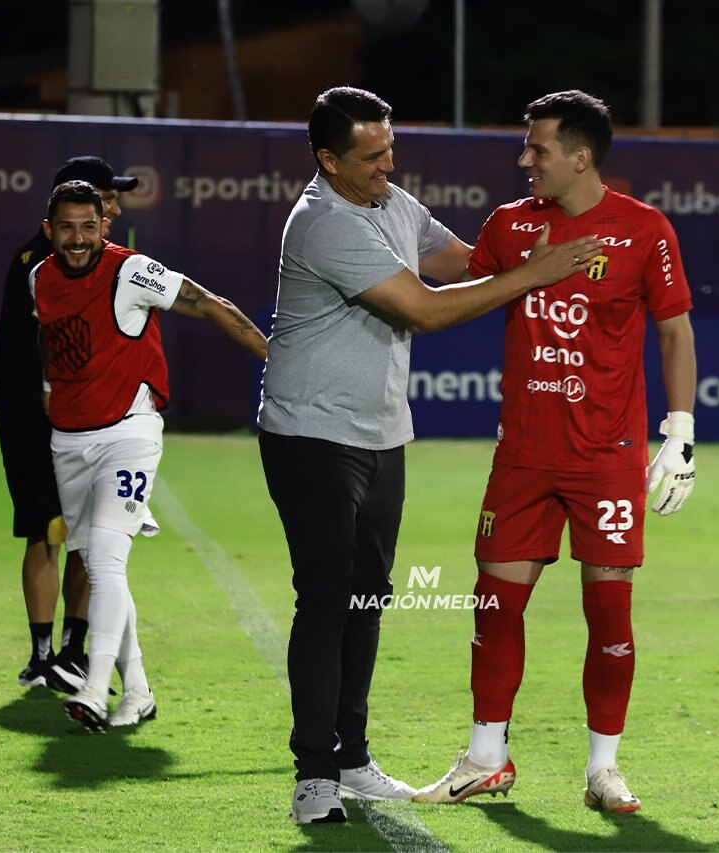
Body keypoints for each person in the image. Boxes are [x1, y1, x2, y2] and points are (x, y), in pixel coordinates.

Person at [257, 85, 606, 825]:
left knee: (367, 598)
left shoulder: (392, 203)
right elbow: (424, 306)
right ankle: (314, 773)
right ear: (328, 159)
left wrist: (538, 227)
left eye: (391, 148)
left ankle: (351, 754)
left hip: (382, 432)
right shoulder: (323, 224)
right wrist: (535, 274)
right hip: (312, 435)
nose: (388, 164)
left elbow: (466, 262)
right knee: (325, 599)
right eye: (371, 155)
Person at [413, 89, 697, 813]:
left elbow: (673, 329)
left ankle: (603, 769)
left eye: (538, 149)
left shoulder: (644, 230)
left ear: (580, 155)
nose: (525, 160)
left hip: (607, 454)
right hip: (524, 454)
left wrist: (681, 431)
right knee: (494, 605)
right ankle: (486, 756)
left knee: (609, 613)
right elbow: (471, 284)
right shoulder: (511, 225)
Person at [31, 180, 267, 731]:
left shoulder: (131, 270)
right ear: (49, 231)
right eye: (66, 227)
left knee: (108, 561)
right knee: (94, 561)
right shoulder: (38, 278)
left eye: (89, 226)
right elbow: (49, 337)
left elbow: (211, 304)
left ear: (104, 226)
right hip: (68, 439)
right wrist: (48, 387)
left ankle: (93, 689)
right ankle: (137, 690)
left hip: (129, 433)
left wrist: (276, 359)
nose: (78, 238)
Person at [0, 156, 138, 693]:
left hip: (74, 418)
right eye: (108, 199)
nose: (115, 208)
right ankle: (50, 654)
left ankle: (63, 652)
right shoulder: (39, 266)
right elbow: (27, 352)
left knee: (72, 535)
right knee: (54, 532)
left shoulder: (102, 261)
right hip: (47, 421)